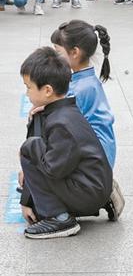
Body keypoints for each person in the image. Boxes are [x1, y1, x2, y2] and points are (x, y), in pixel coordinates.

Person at [18, 47, 114, 239]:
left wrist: (30, 148)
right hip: (92, 185)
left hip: (89, 193)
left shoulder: (61, 123)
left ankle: (60, 219)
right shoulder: (63, 111)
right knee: (34, 148)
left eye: (29, 87)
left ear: (47, 91)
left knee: (30, 148)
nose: (27, 93)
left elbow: (53, 169)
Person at [48, 19, 125, 219]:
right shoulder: (82, 80)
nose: (55, 59)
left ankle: (103, 191)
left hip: (95, 159)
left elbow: (65, 126)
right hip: (95, 153)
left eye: (58, 53)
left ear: (75, 52)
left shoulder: (83, 88)